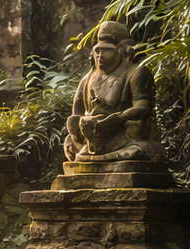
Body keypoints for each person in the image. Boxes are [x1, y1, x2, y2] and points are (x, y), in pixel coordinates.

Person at [64, 21, 161, 162]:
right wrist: (78, 128)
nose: (100, 55)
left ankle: (103, 157)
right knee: (69, 142)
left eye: (106, 50)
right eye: (97, 50)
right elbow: (77, 112)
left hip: (122, 134)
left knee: (138, 149)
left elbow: (142, 107)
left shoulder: (136, 73)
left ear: (122, 50)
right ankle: (96, 155)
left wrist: (118, 118)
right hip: (90, 134)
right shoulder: (88, 78)